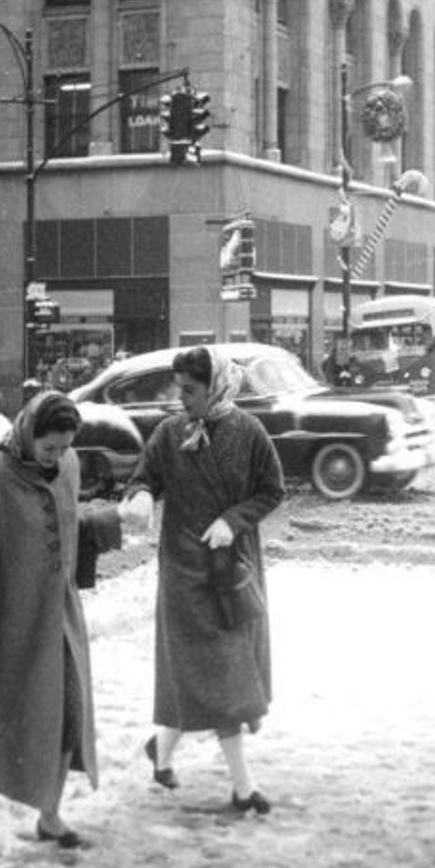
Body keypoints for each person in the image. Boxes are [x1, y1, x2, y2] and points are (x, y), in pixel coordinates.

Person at [0, 392, 145, 846]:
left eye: (66, 447)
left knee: (68, 712)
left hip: (59, 617)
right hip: (7, 620)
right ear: (27, 434)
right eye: (50, 447)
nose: (58, 456)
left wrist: (115, 517)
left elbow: (70, 526)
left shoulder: (69, 466)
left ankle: (51, 817)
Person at [124, 346, 284, 814]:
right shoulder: (170, 434)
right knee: (209, 678)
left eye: (190, 390)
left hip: (231, 570)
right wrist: (138, 498)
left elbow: (272, 489)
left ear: (214, 386)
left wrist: (234, 520)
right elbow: (143, 478)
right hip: (183, 572)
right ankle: (242, 788)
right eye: (179, 390)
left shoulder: (250, 432)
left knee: (219, 676)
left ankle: (163, 749)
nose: (182, 399)